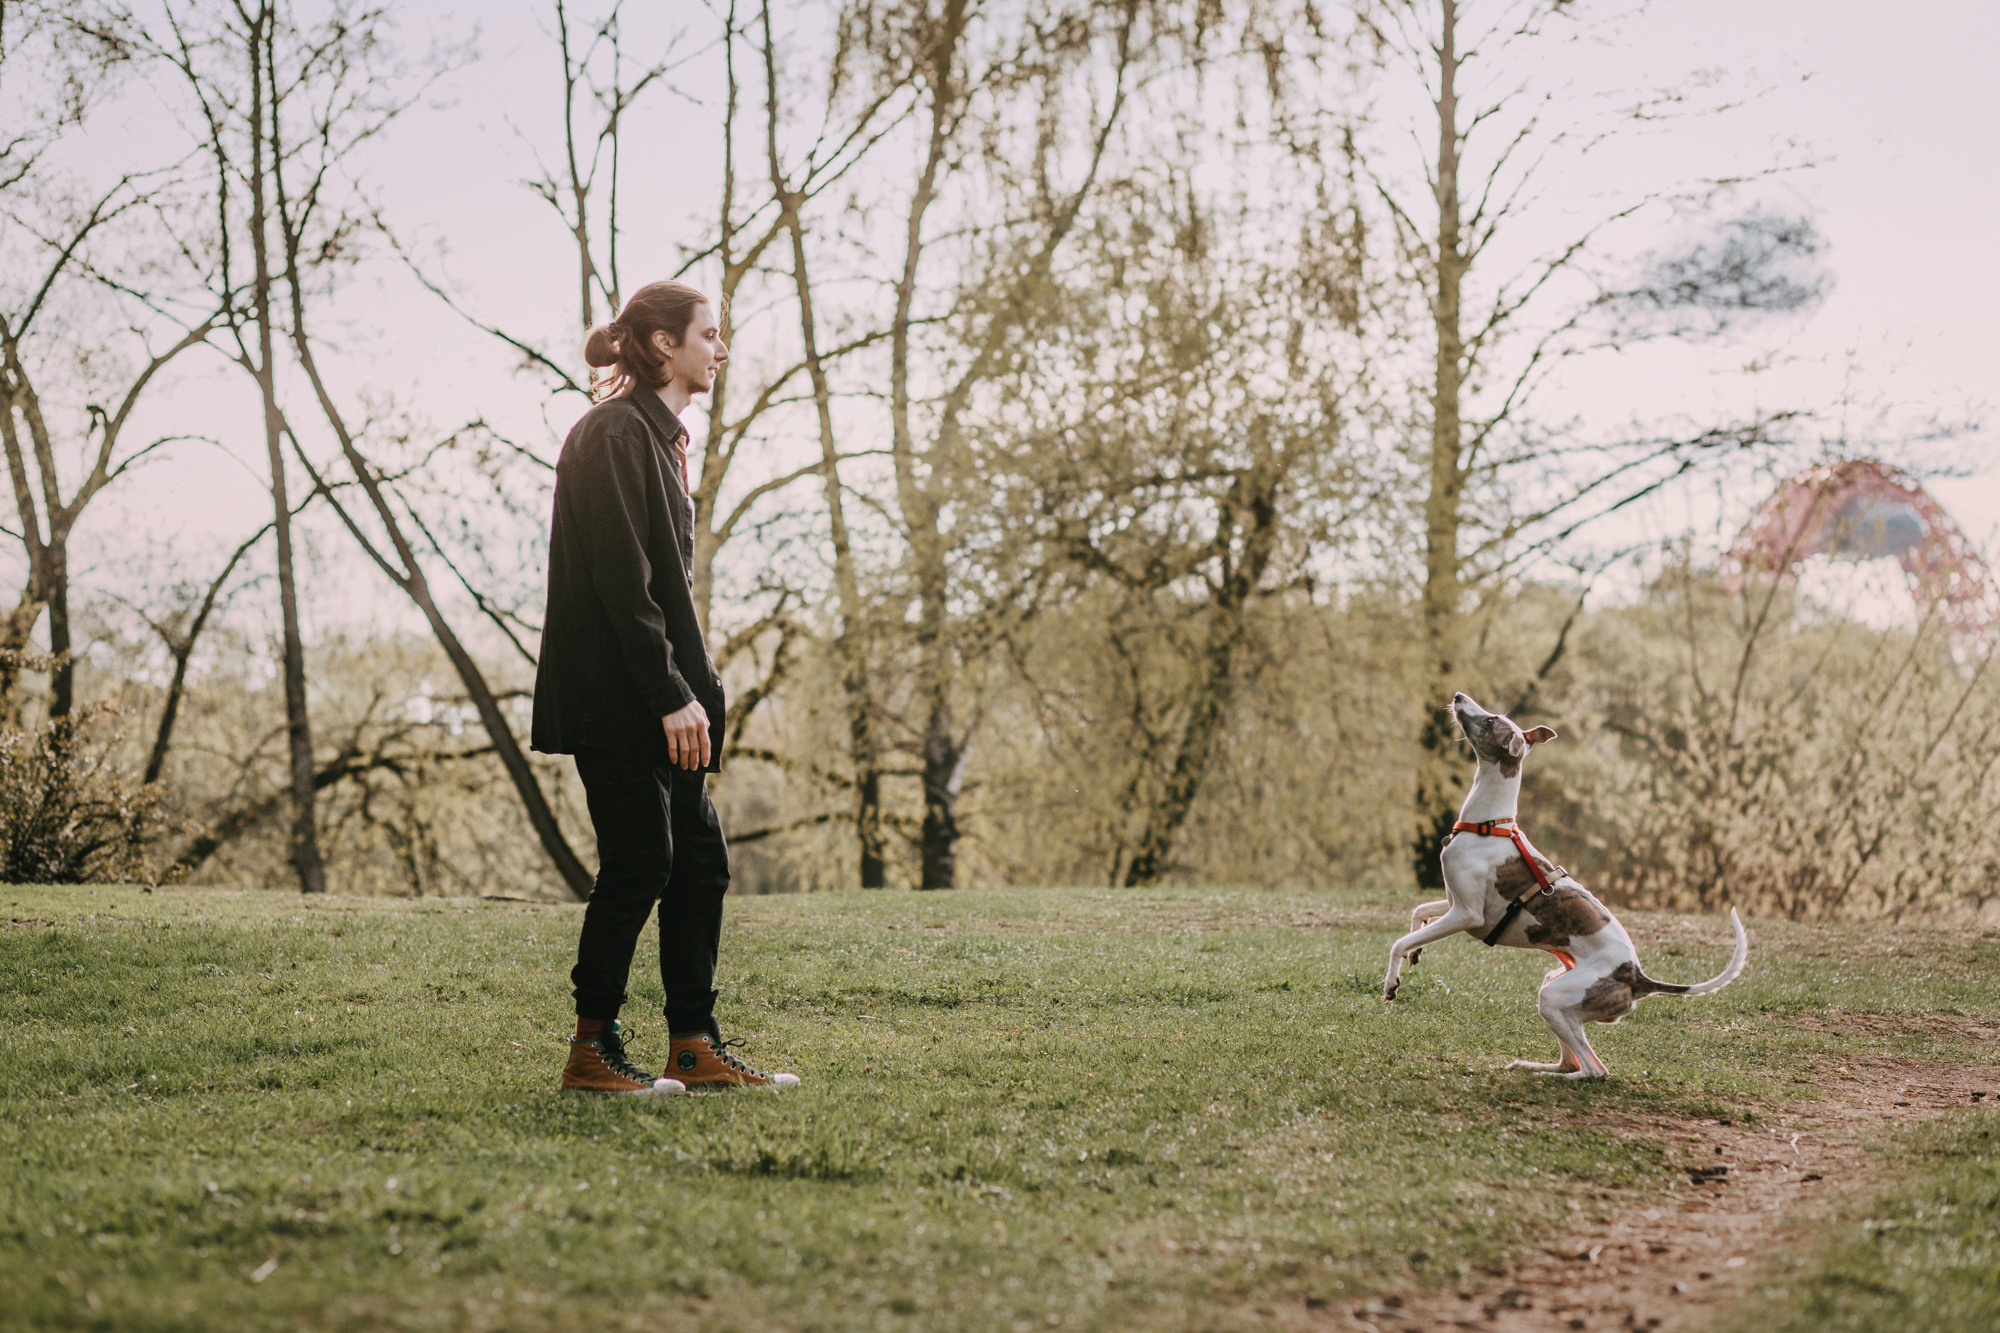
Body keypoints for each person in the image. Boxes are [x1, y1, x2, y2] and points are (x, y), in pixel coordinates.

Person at [531, 280, 798, 1094]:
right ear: (662, 347)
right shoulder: (612, 433)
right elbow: (624, 581)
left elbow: (671, 588)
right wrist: (667, 692)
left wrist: (696, 688)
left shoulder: (659, 438)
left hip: (667, 697)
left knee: (700, 863)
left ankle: (693, 1044)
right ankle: (591, 1048)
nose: (720, 350)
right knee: (642, 860)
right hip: (619, 699)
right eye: (708, 336)